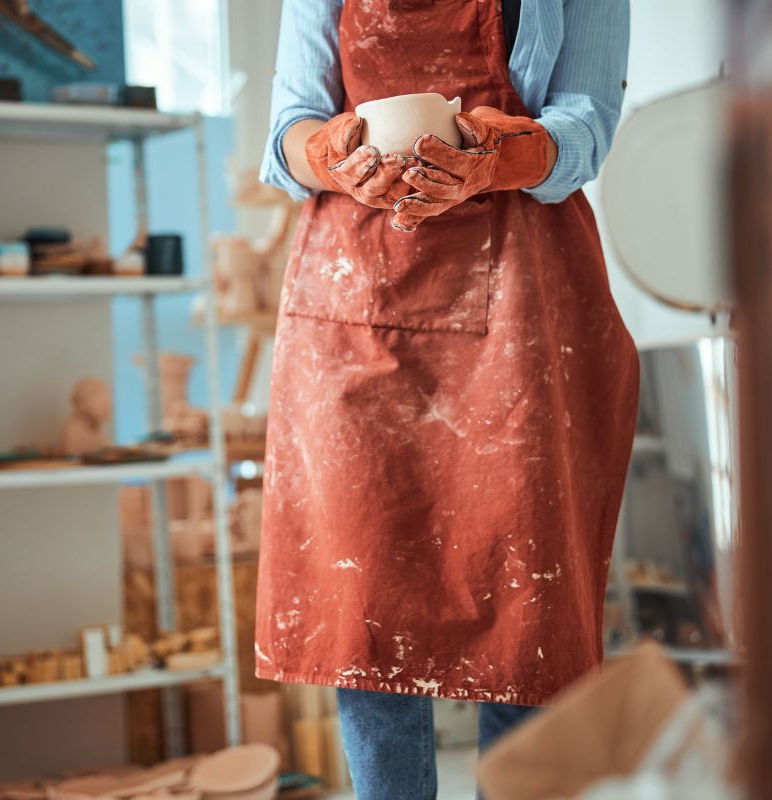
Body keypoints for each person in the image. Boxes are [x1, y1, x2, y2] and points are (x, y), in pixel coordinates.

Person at [255, 2, 639, 798]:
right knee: (366, 605)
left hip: (521, 297)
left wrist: (494, 155)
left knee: (531, 612)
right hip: (356, 296)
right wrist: (331, 153)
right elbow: (288, 129)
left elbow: (587, 127)